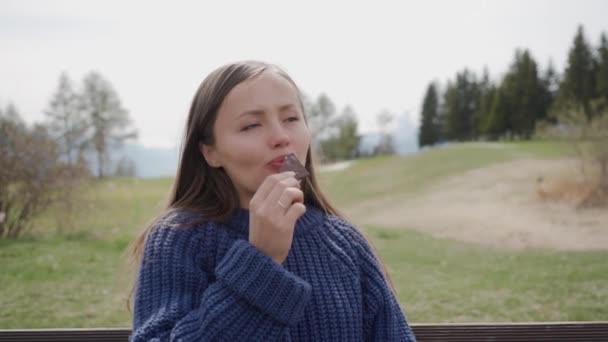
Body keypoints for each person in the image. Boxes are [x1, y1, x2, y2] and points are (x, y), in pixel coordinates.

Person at [129, 61, 417, 341]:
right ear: (210, 152)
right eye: (252, 125)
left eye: (291, 119)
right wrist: (261, 261)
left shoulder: (345, 242)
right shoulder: (180, 238)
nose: (281, 137)